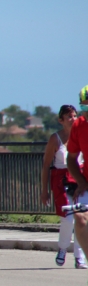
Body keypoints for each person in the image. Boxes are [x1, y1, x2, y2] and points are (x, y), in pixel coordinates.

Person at [40, 104, 86, 268]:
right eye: (69, 116)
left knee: (81, 218)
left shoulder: (81, 133)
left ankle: (80, 257)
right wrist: (44, 191)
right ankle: (62, 248)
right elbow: (46, 165)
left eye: (74, 115)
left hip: (79, 178)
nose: (73, 119)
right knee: (67, 218)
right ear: (61, 120)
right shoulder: (55, 139)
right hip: (61, 180)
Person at [67, 85, 88, 268]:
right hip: (87, 183)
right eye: (84, 107)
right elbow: (71, 159)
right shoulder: (79, 126)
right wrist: (80, 182)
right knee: (80, 217)